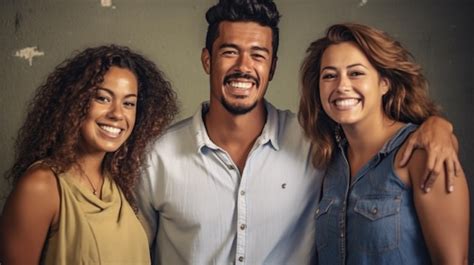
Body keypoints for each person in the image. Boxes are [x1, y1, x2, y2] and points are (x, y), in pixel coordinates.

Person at [136, 1, 460, 264]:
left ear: (272, 66)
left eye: (258, 54)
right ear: (208, 59)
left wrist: (437, 126)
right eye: (229, 51)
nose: (244, 66)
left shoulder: (311, 143)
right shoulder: (156, 156)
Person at [298, 23, 469, 264]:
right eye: (329, 75)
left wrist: (440, 126)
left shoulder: (424, 154)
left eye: (356, 73)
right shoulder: (328, 162)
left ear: (384, 83)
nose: (341, 86)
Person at [0, 45, 178, 264]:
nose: (117, 114)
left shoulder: (119, 183)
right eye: (103, 98)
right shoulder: (42, 186)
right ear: (74, 102)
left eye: (129, 103)